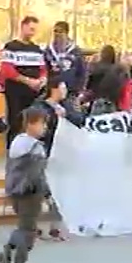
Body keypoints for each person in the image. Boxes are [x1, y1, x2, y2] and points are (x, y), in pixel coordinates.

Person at [0, 107, 49, 263]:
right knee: (28, 229)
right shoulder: (34, 148)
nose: (44, 128)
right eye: (42, 124)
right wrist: (46, 192)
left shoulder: (17, 141)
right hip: (30, 192)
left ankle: (9, 249)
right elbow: (37, 174)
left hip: (15, 190)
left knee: (23, 225)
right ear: (31, 124)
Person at [29, 76, 83, 241]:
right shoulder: (39, 107)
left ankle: (55, 227)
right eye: (63, 87)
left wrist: (67, 115)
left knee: (59, 191)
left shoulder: (66, 106)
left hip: (61, 153)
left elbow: (79, 121)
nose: (65, 91)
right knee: (40, 192)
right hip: (43, 153)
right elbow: (37, 129)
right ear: (54, 88)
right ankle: (33, 226)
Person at [0, 16, 47, 146]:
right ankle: (13, 148)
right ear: (23, 27)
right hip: (15, 90)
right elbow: (7, 69)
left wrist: (41, 80)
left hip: (33, 91)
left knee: (32, 119)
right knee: (16, 120)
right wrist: (27, 81)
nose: (32, 32)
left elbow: (43, 69)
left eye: (34, 30)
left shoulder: (37, 49)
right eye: (30, 29)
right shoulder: (11, 47)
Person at [84, 45, 132, 115]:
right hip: (113, 102)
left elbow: (89, 85)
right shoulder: (118, 70)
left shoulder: (96, 68)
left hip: (97, 99)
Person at [43, 21, 86, 99]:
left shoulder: (75, 51)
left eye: (60, 31)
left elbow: (82, 71)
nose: (57, 34)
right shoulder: (49, 50)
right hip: (53, 92)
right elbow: (45, 69)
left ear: (66, 33)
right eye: (55, 31)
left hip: (71, 92)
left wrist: (78, 90)